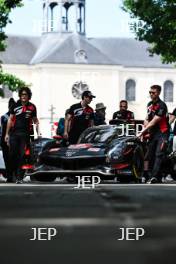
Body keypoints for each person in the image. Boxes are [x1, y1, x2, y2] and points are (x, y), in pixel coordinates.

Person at [5, 87, 39, 184]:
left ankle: (20, 177)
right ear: (20, 96)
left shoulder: (32, 107)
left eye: (26, 95)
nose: (24, 96)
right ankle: (13, 174)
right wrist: (7, 134)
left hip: (25, 134)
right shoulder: (15, 105)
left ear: (29, 96)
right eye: (22, 94)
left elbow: (35, 121)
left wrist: (38, 132)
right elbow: (10, 120)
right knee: (12, 155)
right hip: (14, 134)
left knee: (22, 155)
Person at [138, 85, 170, 184]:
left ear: (159, 93)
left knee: (158, 154)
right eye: (150, 92)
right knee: (149, 154)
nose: (151, 94)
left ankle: (154, 177)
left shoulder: (162, 105)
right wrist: (145, 126)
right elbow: (147, 118)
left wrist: (143, 131)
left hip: (163, 133)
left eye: (154, 92)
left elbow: (155, 121)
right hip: (153, 133)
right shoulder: (149, 104)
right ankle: (147, 175)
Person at [0, 98, 16, 182]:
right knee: (11, 159)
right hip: (9, 141)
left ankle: (11, 176)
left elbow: (2, 130)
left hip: (6, 141)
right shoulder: (6, 117)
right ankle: (11, 176)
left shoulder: (4, 117)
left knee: (8, 159)